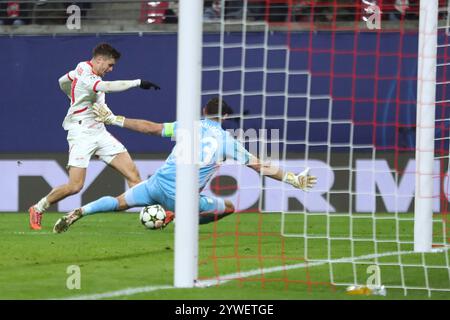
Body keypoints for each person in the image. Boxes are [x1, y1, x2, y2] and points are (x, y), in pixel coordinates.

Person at [52, 97, 318, 233]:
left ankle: (80, 211)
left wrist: (114, 119)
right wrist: (293, 179)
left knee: (119, 201)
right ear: (225, 116)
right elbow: (260, 166)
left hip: (156, 183)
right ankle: (178, 217)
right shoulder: (228, 141)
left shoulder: (188, 126)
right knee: (227, 207)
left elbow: (151, 128)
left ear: (204, 112)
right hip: (181, 197)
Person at [29, 42, 161, 230]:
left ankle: (154, 214)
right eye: (109, 65)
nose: (111, 69)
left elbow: (62, 81)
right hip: (81, 133)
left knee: (133, 174)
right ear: (99, 60)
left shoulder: (81, 73)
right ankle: (37, 207)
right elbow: (106, 86)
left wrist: (73, 97)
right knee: (75, 186)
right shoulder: (86, 72)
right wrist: (137, 83)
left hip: (99, 131)